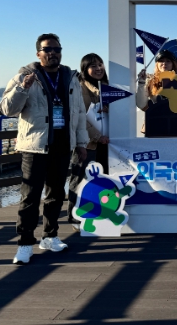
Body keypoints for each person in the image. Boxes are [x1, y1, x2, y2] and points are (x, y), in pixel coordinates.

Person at [0, 33, 88, 264]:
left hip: (62, 144)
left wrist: (81, 143)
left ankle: (50, 236)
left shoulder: (70, 78)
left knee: (56, 194)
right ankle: (24, 243)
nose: (53, 53)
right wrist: (22, 88)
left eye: (57, 49)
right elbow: (7, 109)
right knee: (30, 196)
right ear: (38, 53)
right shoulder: (24, 76)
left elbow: (79, 113)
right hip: (35, 146)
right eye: (47, 49)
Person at [67, 53, 110, 231]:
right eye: (93, 66)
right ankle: (74, 216)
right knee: (80, 178)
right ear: (85, 69)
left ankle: (98, 214)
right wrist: (96, 136)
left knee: (102, 179)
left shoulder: (107, 86)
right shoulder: (78, 87)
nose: (98, 68)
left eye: (100, 64)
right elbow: (78, 116)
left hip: (106, 142)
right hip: (86, 142)